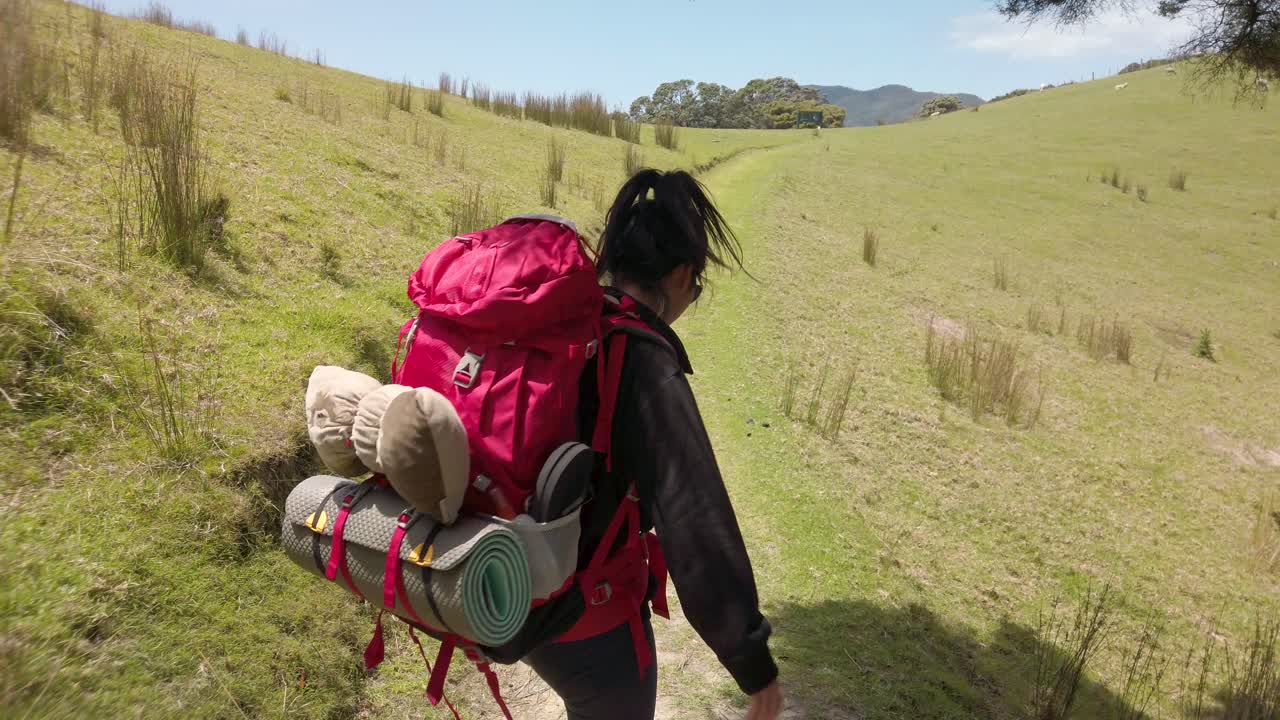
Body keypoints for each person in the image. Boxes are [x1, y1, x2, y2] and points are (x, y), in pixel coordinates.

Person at [523, 169, 783, 720]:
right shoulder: (643, 358)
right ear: (683, 273)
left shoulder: (563, 321)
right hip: (589, 622)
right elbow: (694, 517)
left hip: (507, 587)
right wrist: (752, 663)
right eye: (697, 286)